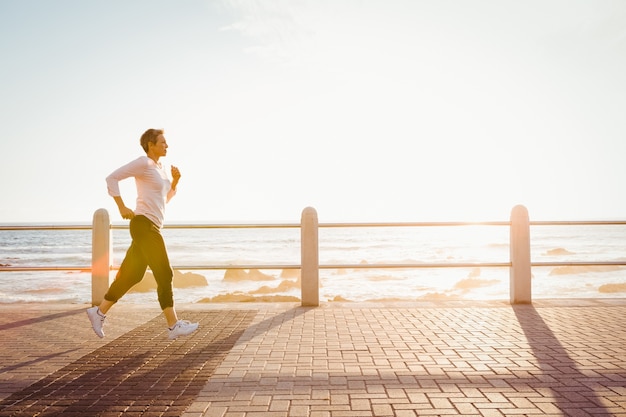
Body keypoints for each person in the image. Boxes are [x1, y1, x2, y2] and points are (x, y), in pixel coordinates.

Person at [87, 128, 199, 340]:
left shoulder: (160, 168)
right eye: (163, 142)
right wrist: (121, 207)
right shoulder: (143, 163)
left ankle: (98, 312)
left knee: (132, 275)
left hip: (152, 225)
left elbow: (163, 200)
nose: (167, 146)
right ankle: (173, 325)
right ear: (151, 144)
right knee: (165, 273)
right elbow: (111, 178)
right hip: (143, 225)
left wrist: (175, 182)